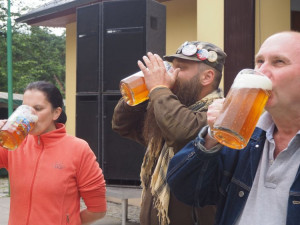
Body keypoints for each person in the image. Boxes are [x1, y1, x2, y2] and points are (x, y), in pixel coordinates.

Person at [167, 31, 300, 225]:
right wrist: (213, 136)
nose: (261, 71)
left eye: (279, 62)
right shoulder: (246, 136)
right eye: (259, 61)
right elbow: (188, 191)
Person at [112, 41, 227, 225]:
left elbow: (182, 133)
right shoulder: (169, 110)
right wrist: (138, 93)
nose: (170, 74)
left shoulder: (218, 116)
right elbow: (122, 125)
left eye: (180, 68)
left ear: (207, 77)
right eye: (171, 67)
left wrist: (159, 89)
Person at [0, 81, 106, 225]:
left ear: (56, 112)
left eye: (38, 108)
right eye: (25, 108)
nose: (29, 116)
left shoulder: (78, 149)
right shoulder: (16, 143)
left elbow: (97, 210)